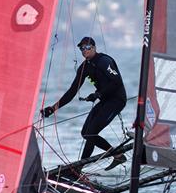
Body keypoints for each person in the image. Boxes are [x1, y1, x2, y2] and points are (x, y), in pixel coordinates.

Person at [41, 36, 128, 170]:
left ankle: (111, 157)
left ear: (94, 48)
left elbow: (117, 82)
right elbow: (72, 92)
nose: (84, 51)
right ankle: (87, 165)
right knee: (86, 133)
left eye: (87, 47)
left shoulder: (104, 61)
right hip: (105, 101)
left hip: (117, 100)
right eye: (82, 48)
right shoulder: (84, 68)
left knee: (91, 133)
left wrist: (98, 94)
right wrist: (53, 108)